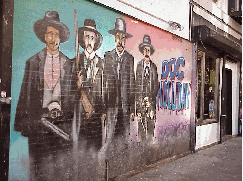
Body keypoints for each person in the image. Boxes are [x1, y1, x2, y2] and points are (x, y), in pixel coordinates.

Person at [14, 11, 75, 180]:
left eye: (56, 35)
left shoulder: (68, 64)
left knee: (58, 170)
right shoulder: (33, 62)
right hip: (39, 127)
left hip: (61, 127)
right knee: (38, 170)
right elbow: (25, 96)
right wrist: (26, 125)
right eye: (50, 34)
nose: (53, 39)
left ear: (60, 38)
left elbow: (72, 96)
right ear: (44, 36)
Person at [103, 18, 135, 139]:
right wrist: (104, 108)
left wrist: (132, 109)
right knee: (110, 136)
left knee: (125, 136)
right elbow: (103, 82)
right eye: (118, 37)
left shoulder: (129, 58)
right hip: (111, 105)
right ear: (114, 39)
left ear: (125, 40)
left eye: (123, 38)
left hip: (125, 105)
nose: (120, 41)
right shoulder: (108, 56)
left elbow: (132, 84)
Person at [76, 19, 105, 150]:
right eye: (87, 37)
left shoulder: (102, 64)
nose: (89, 41)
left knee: (96, 149)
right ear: (82, 39)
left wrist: (103, 111)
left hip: (97, 115)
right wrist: (77, 85)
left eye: (92, 38)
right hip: (80, 117)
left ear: (96, 41)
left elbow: (106, 89)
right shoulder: (74, 63)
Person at [136, 34, 159, 143]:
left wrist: (151, 101)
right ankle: (142, 146)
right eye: (144, 50)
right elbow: (136, 86)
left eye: (148, 50)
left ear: (150, 52)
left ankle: (149, 144)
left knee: (151, 122)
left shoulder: (154, 67)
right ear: (142, 52)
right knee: (141, 124)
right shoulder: (139, 66)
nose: (146, 52)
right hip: (141, 100)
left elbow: (156, 86)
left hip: (150, 101)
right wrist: (139, 103)